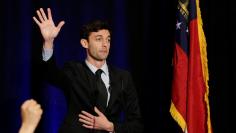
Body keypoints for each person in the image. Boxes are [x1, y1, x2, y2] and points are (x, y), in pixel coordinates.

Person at [33, 8, 143, 133]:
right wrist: (48, 42)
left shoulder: (123, 77)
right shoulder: (73, 70)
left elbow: (136, 125)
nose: (105, 44)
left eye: (108, 39)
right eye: (98, 39)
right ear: (85, 43)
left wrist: (111, 127)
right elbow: (50, 74)